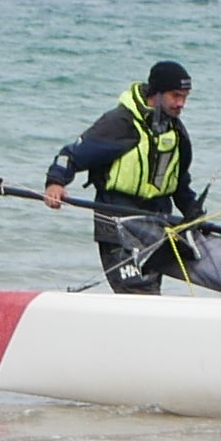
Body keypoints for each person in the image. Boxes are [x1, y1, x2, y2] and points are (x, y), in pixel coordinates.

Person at [47, 62, 203, 292]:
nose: (181, 103)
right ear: (156, 93)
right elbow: (70, 155)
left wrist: (194, 213)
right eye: (175, 95)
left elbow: (179, 183)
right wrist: (55, 182)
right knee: (136, 292)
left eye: (185, 97)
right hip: (116, 221)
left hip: (155, 225)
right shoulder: (120, 123)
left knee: (149, 291)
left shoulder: (175, 131)